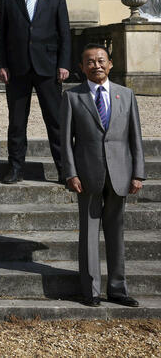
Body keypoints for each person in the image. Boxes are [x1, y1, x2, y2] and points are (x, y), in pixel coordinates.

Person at [61, 43, 145, 308]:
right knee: (88, 234)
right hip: (87, 175)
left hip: (121, 173)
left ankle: (118, 289)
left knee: (116, 233)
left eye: (100, 61)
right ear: (81, 67)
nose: (96, 65)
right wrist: (70, 173)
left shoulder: (126, 95)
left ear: (110, 64)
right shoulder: (73, 97)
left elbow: (136, 138)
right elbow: (65, 141)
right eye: (89, 62)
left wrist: (138, 174)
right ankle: (91, 290)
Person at [0, 0, 71, 184]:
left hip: (48, 68)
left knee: (56, 122)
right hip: (16, 70)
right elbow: (0, 36)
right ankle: (16, 168)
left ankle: (64, 170)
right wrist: (2, 65)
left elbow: (65, 34)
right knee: (17, 122)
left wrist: (64, 64)